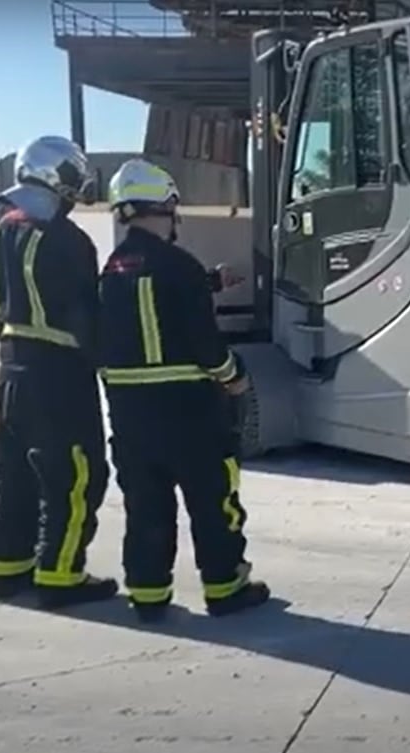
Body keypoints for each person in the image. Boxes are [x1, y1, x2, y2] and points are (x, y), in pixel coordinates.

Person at [97, 158, 270, 621]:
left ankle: (149, 596)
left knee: (146, 507)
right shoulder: (181, 265)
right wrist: (235, 378)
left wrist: (207, 283)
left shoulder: (110, 271)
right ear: (167, 207)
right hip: (190, 413)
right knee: (213, 501)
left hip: (130, 417)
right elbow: (205, 346)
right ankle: (224, 587)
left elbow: (145, 307)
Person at [0, 135, 118, 608]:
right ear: (60, 179)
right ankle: (60, 576)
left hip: (10, 372)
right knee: (76, 476)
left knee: (14, 475)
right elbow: (84, 314)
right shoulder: (66, 238)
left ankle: (6, 569)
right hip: (58, 376)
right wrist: (106, 364)